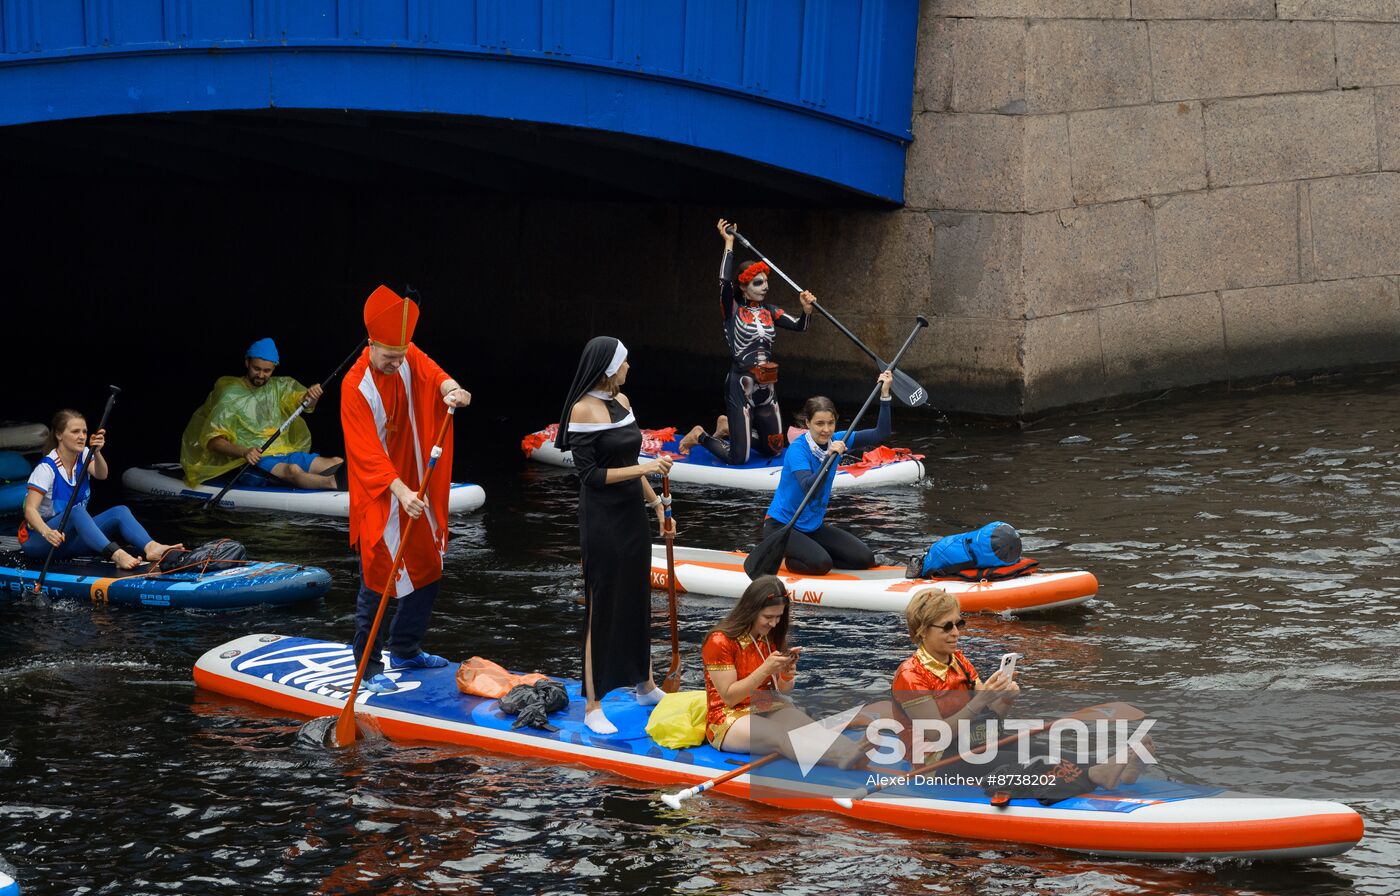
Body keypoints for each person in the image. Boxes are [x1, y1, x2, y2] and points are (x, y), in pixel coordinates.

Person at [341, 285, 472, 694]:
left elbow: (432, 371)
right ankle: (367, 665)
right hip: (382, 491)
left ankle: (405, 648)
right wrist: (399, 491)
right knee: (377, 577)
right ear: (370, 344)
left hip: (418, 482)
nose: (397, 363)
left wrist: (450, 387)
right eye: (388, 357)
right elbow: (365, 452)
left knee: (429, 567)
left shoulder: (406, 355)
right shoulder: (354, 385)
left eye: (401, 356)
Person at [891, 587, 1143, 790]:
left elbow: (989, 720)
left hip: (973, 743)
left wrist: (1004, 699)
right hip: (936, 763)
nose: (956, 633)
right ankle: (1095, 776)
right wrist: (980, 701)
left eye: (959, 624)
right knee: (1027, 763)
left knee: (1044, 749)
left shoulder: (959, 661)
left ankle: (1116, 764)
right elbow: (936, 734)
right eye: (947, 626)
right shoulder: (910, 676)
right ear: (923, 631)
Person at [557, 336, 676, 735]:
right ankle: (593, 704)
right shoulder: (582, 410)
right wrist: (646, 471)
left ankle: (645, 685)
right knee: (602, 605)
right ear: (609, 367)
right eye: (625, 363)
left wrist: (657, 505)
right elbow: (591, 476)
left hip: (632, 516)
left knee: (637, 596)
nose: (629, 369)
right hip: (602, 519)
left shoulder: (623, 404)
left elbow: (630, 460)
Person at [678, 219, 814, 464]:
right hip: (741, 386)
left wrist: (806, 310)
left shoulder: (771, 311)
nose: (765, 287)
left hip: (767, 387)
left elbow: (800, 326)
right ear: (743, 286)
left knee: (775, 449)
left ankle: (729, 428)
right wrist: (729, 243)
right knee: (738, 457)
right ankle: (700, 435)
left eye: (766, 282)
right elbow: (723, 283)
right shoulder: (732, 309)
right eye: (758, 283)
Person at [702, 575, 862, 768]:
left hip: (764, 704)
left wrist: (785, 673)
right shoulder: (720, 641)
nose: (774, 623)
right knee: (782, 736)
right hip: (727, 715)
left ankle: (854, 749)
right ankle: (840, 757)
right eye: (768, 617)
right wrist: (765, 669)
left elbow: (783, 690)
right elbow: (729, 697)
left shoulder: (770, 636)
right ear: (750, 611)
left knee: (808, 727)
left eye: (779, 616)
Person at [760, 371, 895, 575]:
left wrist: (885, 395)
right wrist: (827, 459)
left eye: (830, 423)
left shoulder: (839, 439)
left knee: (865, 559)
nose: (826, 430)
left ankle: (817, 555)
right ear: (807, 424)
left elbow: (881, 433)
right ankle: (791, 561)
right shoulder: (798, 450)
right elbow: (808, 487)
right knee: (821, 564)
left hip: (812, 527)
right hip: (782, 527)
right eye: (819, 424)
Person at [19, 409, 179, 571]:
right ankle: (116, 554)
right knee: (77, 512)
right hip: (40, 541)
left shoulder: (84, 455)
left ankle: (151, 547)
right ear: (59, 435)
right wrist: (48, 532)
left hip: (70, 541)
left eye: (84, 432)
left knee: (120, 511)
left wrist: (97, 452)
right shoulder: (46, 468)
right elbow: (30, 510)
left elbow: (102, 474)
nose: (82, 436)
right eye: (75, 432)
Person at [180, 338, 345, 490]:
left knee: (337, 462)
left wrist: (312, 396)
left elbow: (305, 403)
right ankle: (333, 484)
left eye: (267, 371)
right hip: (252, 462)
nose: (261, 375)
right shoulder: (230, 395)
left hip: (285, 452)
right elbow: (213, 441)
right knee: (293, 470)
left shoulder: (279, 387)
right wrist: (244, 452)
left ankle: (349, 485)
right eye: (256, 368)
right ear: (247, 362)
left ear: (274, 368)